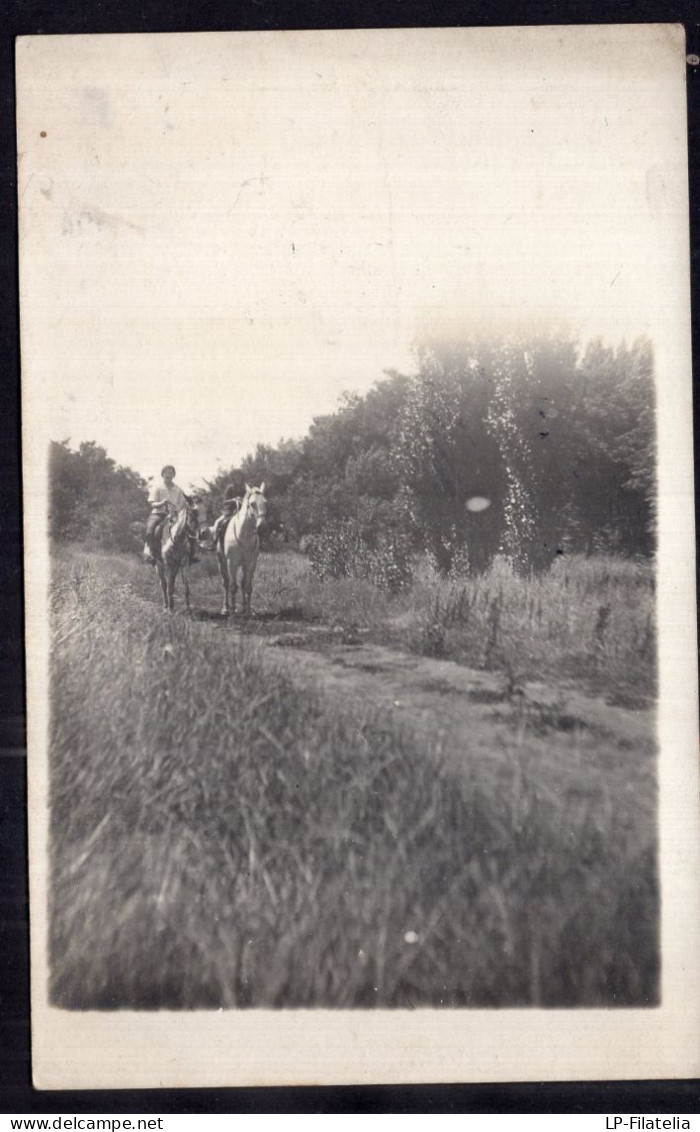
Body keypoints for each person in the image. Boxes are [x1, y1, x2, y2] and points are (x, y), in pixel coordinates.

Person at [143, 465, 195, 564]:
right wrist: (162, 503)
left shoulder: (178, 490)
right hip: (158, 514)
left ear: (174, 475)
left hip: (174, 516)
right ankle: (151, 553)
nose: (168, 474)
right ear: (162, 474)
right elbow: (152, 504)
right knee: (150, 530)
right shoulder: (157, 488)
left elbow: (182, 504)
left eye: (171, 473)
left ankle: (190, 556)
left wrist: (178, 511)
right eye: (166, 472)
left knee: (190, 532)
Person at [212, 483, 242, 549]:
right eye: (236, 476)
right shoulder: (230, 488)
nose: (238, 478)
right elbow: (225, 501)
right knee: (218, 522)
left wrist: (242, 500)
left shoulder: (244, 488)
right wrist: (233, 500)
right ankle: (215, 541)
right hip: (230, 510)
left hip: (241, 510)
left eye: (239, 476)